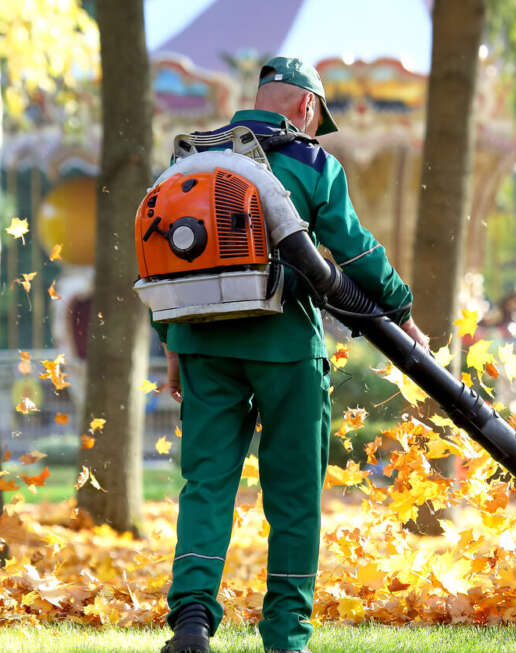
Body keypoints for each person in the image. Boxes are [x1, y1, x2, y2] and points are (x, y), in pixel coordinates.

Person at [156, 56, 428, 653]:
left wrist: (172, 344)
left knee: (205, 485)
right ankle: (286, 637)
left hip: (202, 343)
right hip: (285, 348)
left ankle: (193, 621)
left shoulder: (189, 162)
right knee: (295, 493)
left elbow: (165, 259)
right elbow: (353, 253)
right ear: (308, 106)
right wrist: (401, 312)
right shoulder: (310, 161)